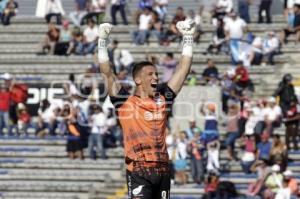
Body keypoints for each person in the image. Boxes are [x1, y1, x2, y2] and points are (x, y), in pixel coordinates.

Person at [97, 19, 195, 198]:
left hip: (163, 170)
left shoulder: (164, 98)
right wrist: (102, 42)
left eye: (156, 74)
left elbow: (183, 70)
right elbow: (107, 73)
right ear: (137, 80)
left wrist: (188, 37)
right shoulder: (124, 102)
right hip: (138, 170)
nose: (155, 77)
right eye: (150, 74)